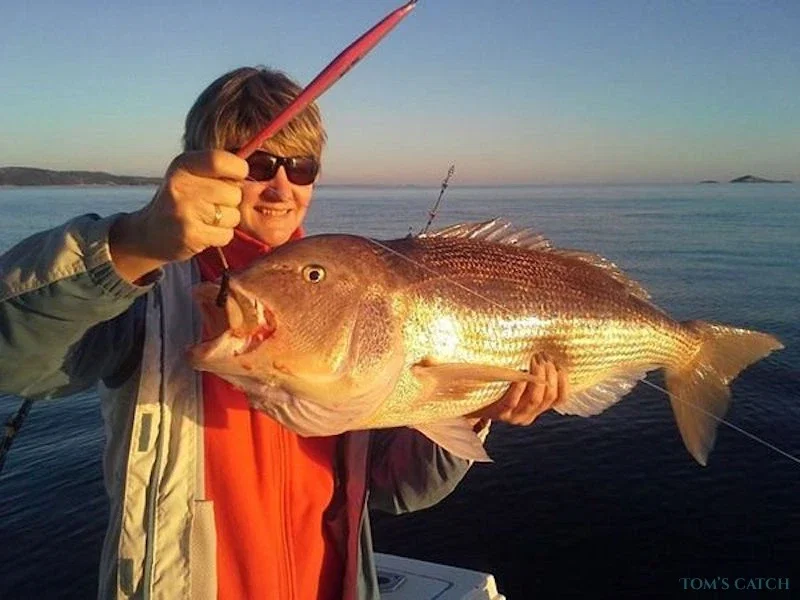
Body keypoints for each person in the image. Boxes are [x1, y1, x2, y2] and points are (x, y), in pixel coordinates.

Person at [0, 66, 567, 599]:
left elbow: (395, 489)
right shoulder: (144, 289)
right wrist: (130, 245)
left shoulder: (353, 301)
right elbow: (13, 358)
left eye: (300, 168)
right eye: (257, 164)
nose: (280, 187)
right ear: (206, 167)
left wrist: (472, 408)